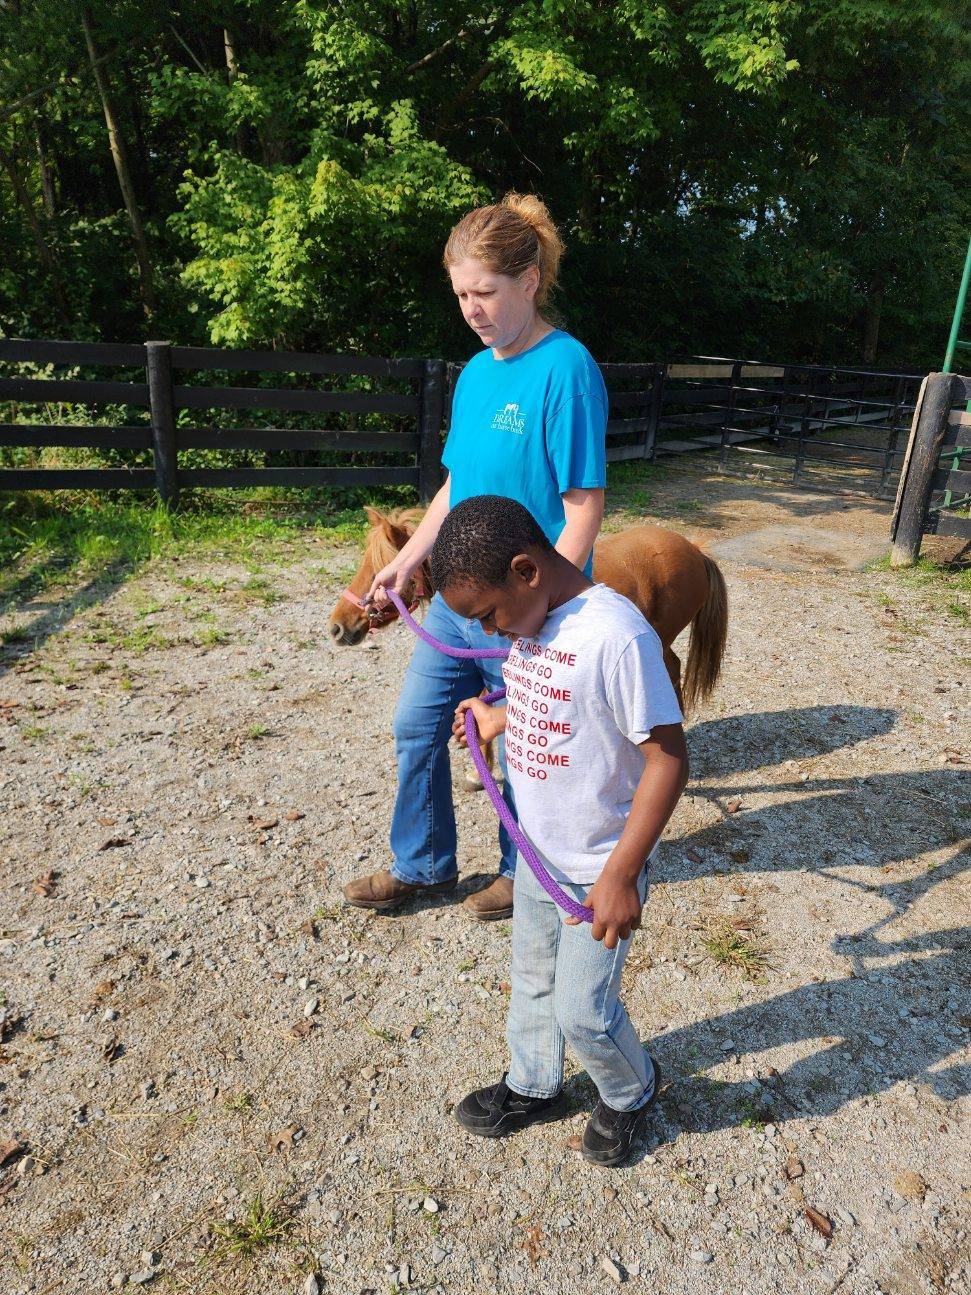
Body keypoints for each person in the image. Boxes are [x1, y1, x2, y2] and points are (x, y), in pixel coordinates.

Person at [343, 193, 609, 921]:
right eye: (461, 293)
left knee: (519, 745)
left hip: (519, 607)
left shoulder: (566, 368)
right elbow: (456, 485)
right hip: (461, 607)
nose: (472, 308)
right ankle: (423, 863)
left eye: (485, 292)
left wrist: (548, 609)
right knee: (415, 723)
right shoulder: (475, 372)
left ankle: (520, 873)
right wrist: (406, 563)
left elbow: (582, 502)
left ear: (528, 281)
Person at [435, 495, 688, 1166]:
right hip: (536, 854)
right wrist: (498, 720)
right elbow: (549, 695)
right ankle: (533, 1082)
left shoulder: (616, 634)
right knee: (532, 978)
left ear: (526, 570)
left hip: (595, 864)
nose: (490, 633)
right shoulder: (533, 622)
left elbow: (669, 757)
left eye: (486, 614)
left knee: (582, 1008)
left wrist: (621, 872)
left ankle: (631, 1087)